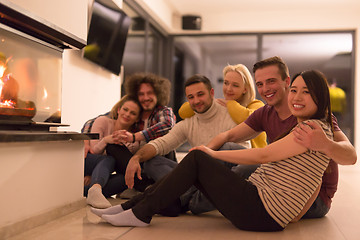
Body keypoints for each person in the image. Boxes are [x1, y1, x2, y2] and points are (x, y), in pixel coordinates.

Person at [91, 70, 338, 231]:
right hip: (258, 201)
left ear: (320, 97)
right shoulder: (311, 126)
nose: (297, 96)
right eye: (294, 90)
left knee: (198, 157)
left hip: (262, 211)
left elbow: (263, 155)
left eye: (306, 92)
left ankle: (140, 211)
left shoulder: (312, 128)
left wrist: (214, 154)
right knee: (189, 160)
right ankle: (133, 207)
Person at [206, 56, 356, 219]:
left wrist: (326, 144)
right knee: (226, 147)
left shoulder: (316, 118)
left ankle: (192, 202)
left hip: (312, 198)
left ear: (287, 81)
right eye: (260, 84)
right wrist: (204, 152)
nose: (265, 89)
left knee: (244, 169)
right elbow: (229, 135)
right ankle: (188, 190)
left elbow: (351, 156)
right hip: (276, 182)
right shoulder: (265, 112)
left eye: (271, 81)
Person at [119, 74, 250, 215]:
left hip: (222, 182)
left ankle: (175, 199)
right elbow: (162, 143)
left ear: (211, 93)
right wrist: (136, 158)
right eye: (191, 97)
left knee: (223, 150)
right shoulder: (188, 124)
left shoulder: (230, 115)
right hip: (197, 182)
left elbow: (244, 157)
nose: (196, 101)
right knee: (151, 162)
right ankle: (182, 199)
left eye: (200, 94)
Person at [104, 73, 176, 191]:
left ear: (158, 93)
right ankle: (146, 187)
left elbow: (167, 124)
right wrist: (86, 137)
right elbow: (107, 117)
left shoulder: (163, 111)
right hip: (139, 166)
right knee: (112, 146)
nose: (146, 97)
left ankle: (146, 188)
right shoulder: (135, 113)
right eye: (141, 94)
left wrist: (135, 136)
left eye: (150, 93)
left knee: (159, 145)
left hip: (159, 164)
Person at [178, 64, 267, 148]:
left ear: (245, 89)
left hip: (255, 160)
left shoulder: (257, 105)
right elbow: (183, 113)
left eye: (235, 85)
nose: (228, 89)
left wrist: (230, 103)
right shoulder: (221, 104)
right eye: (226, 83)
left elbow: (248, 120)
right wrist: (205, 101)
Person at [84, 95, 142, 208]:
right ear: (119, 110)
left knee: (125, 179)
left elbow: (120, 165)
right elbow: (94, 151)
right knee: (109, 158)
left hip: (100, 172)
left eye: (133, 113)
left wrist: (95, 175)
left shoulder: (134, 140)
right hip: (88, 162)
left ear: (137, 119)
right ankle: (95, 188)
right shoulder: (103, 121)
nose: (127, 114)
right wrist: (106, 140)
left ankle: (90, 191)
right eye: (125, 109)